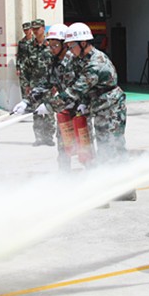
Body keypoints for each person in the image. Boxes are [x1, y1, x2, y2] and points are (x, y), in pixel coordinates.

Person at [45, 22, 135, 200]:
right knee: (104, 149)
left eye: (72, 46)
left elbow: (77, 89)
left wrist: (49, 106)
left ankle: (126, 189)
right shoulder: (81, 59)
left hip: (111, 109)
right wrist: (84, 103)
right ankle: (111, 187)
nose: (70, 50)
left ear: (83, 43)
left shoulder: (96, 63)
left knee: (114, 147)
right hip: (99, 107)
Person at [12, 23, 82, 169]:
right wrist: (27, 101)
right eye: (50, 45)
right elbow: (45, 83)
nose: (52, 49)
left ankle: (94, 176)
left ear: (65, 45)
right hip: (64, 110)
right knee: (63, 148)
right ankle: (65, 176)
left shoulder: (74, 61)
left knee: (84, 149)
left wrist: (50, 105)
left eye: (55, 45)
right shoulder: (53, 60)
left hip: (80, 111)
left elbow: (74, 92)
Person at [22, 18, 56, 146]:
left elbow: (56, 66)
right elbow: (26, 67)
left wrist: (56, 84)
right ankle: (39, 138)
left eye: (37, 29)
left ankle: (49, 137)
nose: (35, 31)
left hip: (48, 85)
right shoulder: (29, 46)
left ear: (43, 28)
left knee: (49, 111)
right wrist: (26, 85)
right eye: (34, 29)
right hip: (35, 85)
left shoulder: (51, 45)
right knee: (36, 112)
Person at [16, 21, 33, 99]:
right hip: (23, 68)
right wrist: (18, 68)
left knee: (33, 87)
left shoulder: (35, 41)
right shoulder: (21, 42)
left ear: (31, 29)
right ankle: (25, 102)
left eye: (27, 29)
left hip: (34, 67)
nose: (26, 31)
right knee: (24, 87)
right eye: (25, 30)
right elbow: (19, 55)